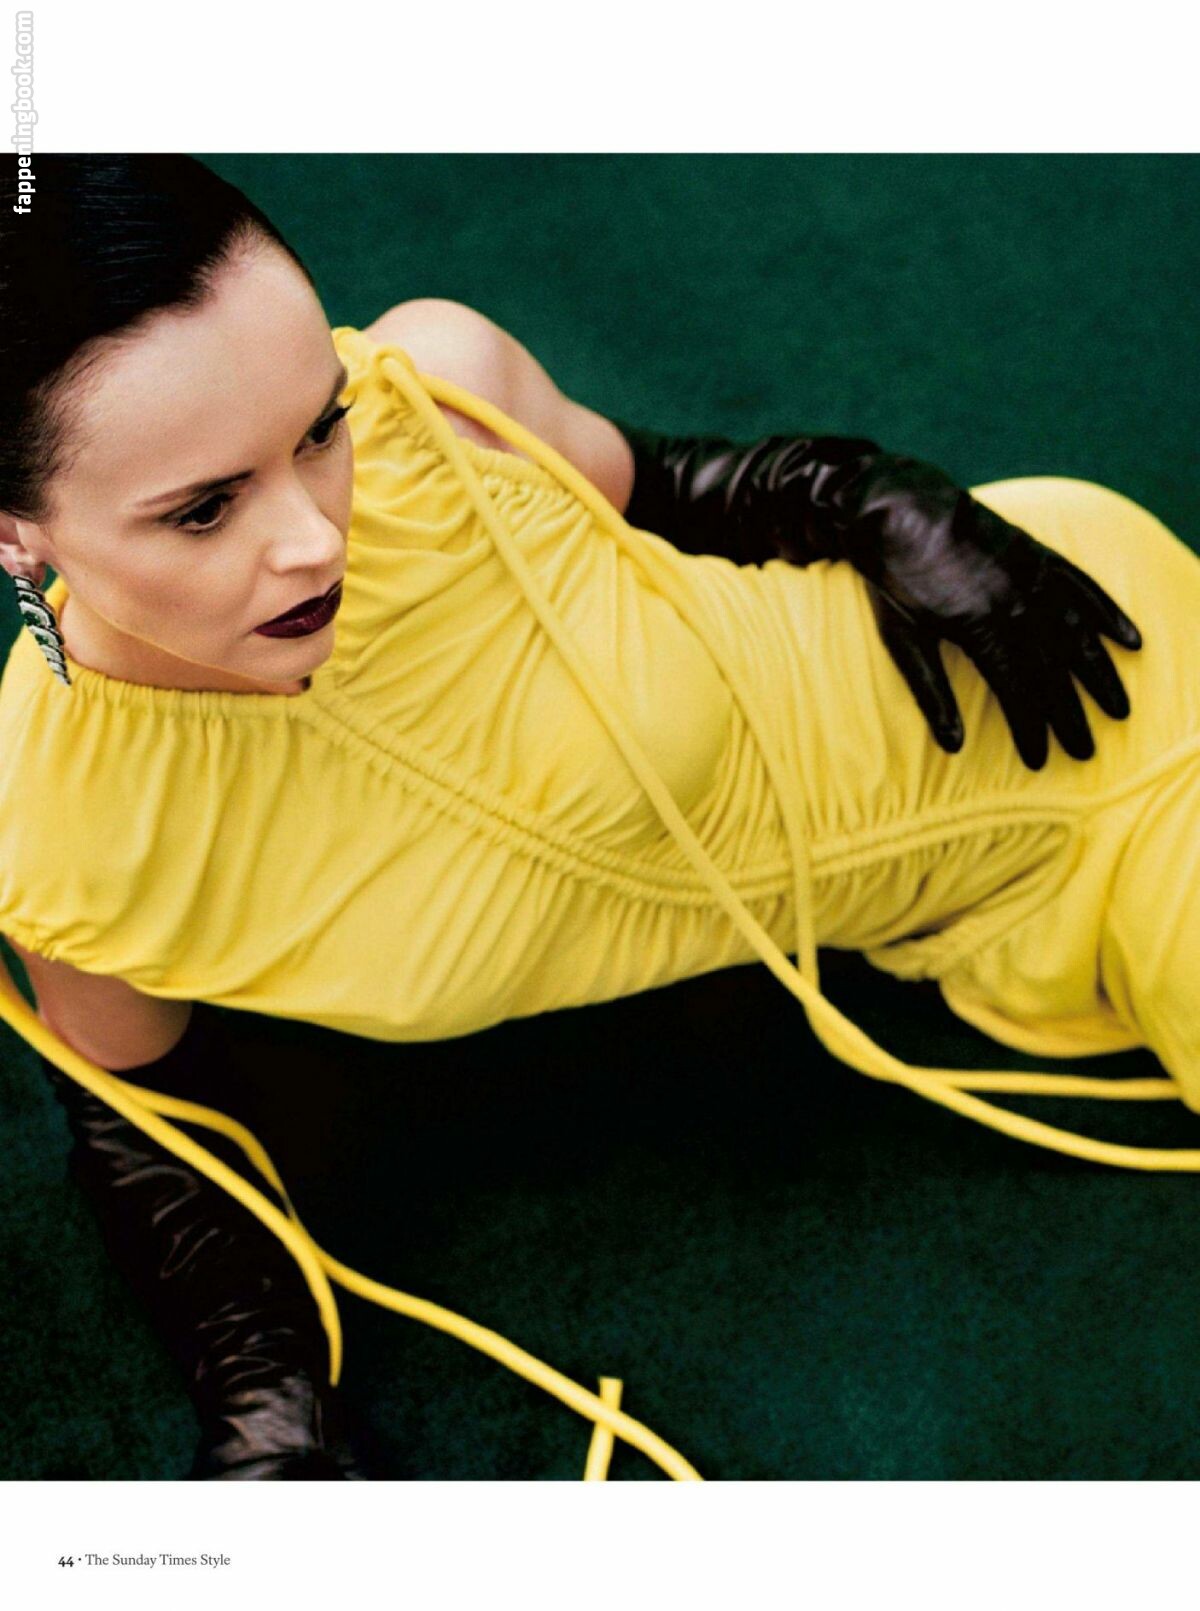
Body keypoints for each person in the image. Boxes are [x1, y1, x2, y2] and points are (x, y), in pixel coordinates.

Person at [0, 155, 1195, 1482]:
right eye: (207, 508)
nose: (316, 539)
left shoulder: (437, 397)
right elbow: (142, 1126)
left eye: (319, 429)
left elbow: (668, 485)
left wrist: (863, 497)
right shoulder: (57, 840)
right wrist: (266, 1407)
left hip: (1104, 686)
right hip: (977, 933)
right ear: (17, 531)